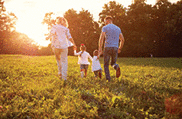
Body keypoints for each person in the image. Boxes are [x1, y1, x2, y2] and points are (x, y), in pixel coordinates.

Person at [98, 16, 124, 81]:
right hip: (115, 47)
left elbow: (101, 38)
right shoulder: (118, 28)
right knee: (113, 63)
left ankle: (108, 79)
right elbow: (122, 39)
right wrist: (120, 48)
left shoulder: (105, 28)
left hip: (107, 47)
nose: (105, 24)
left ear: (107, 21)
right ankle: (116, 67)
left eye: (105, 22)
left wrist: (100, 48)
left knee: (106, 64)